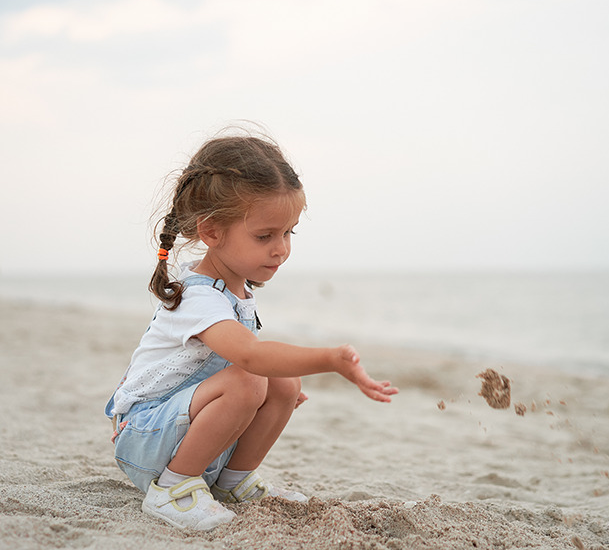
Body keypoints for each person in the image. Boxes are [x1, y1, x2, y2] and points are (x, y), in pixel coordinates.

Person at [105, 133, 398, 531]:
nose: (281, 249)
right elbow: (247, 357)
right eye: (265, 236)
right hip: (144, 436)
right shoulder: (198, 297)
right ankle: (173, 488)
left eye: (289, 232)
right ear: (211, 232)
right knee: (251, 379)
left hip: (186, 434)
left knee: (281, 382)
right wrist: (330, 360)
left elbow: (245, 361)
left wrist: (278, 390)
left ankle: (232, 482)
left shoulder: (236, 288)